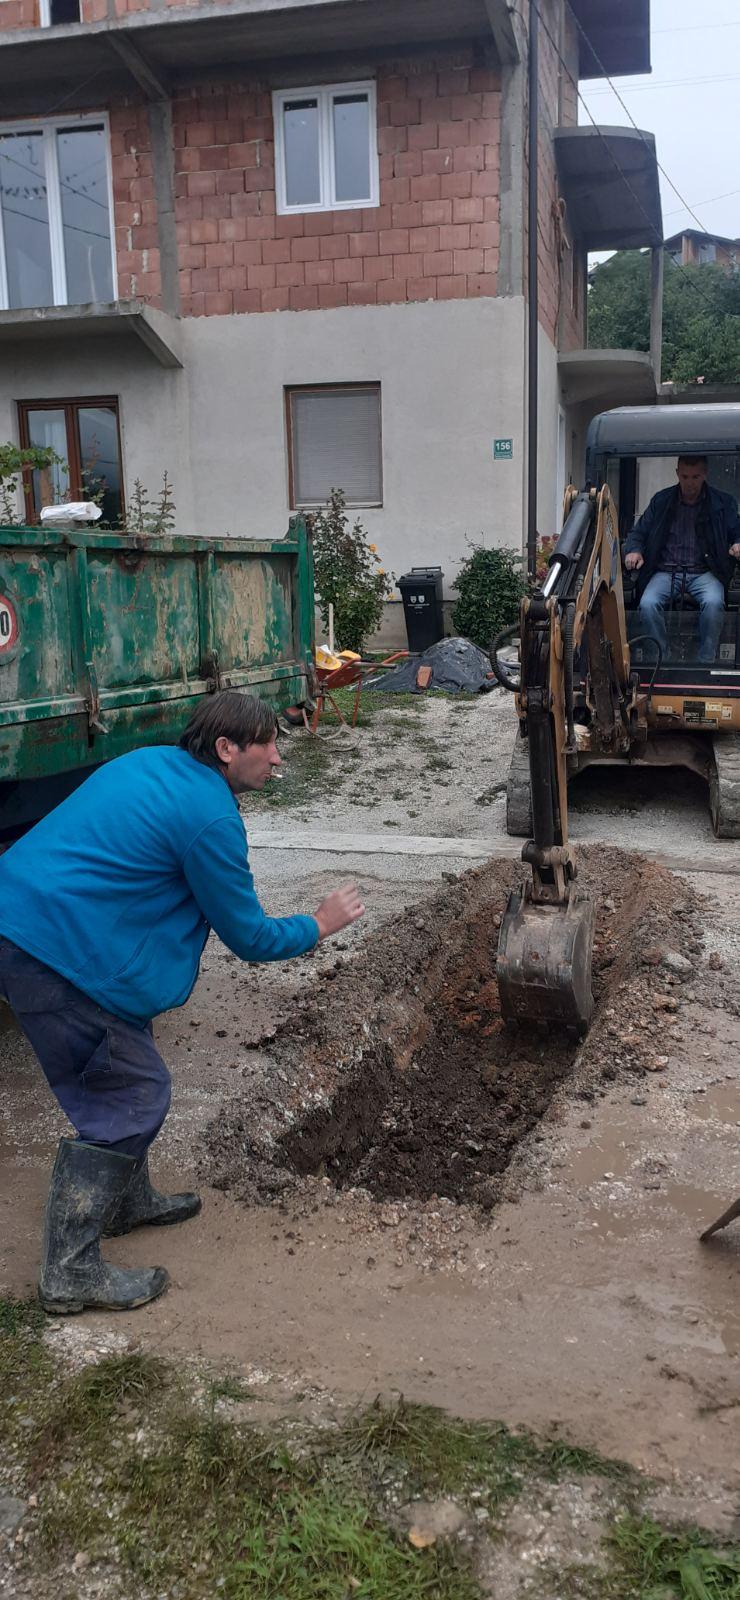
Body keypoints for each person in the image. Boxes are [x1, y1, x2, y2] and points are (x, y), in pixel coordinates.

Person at [0, 693, 364, 1316]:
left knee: (126, 1047)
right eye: (267, 745)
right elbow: (249, 938)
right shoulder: (210, 817)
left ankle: (124, 1202)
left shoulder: (155, 763)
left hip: (33, 918)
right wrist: (321, 923)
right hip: (47, 949)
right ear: (227, 750)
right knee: (133, 1096)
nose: (278, 759)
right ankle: (69, 1271)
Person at [623, 455, 740, 665]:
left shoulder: (723, 503)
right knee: (648, 604)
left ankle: (706, 661)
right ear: (677, 473)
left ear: (705, 474)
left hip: (705, 572)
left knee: (714, 603)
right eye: (685, 476)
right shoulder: (661, 501)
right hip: (665, 571)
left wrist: (738, 543)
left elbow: (737, 531)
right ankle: (660, 659)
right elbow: (638, 533)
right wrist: (634, 550)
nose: (690, 483)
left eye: (695, 477)